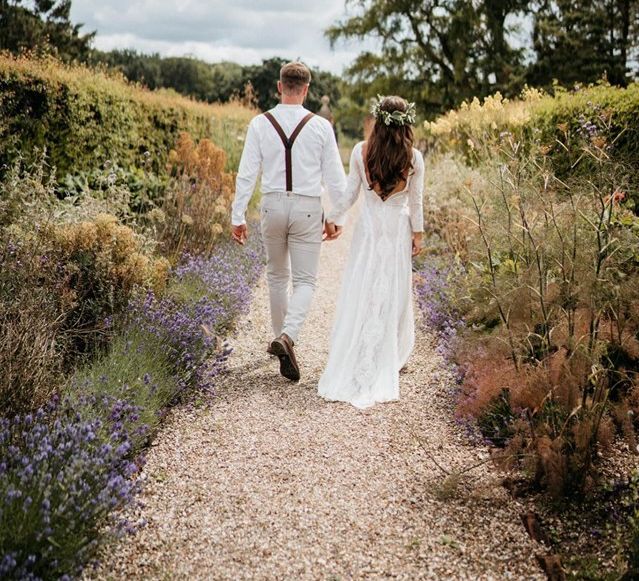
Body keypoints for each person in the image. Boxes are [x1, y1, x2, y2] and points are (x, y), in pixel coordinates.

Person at [230, 61, 347, 382]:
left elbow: (246, 174)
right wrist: (336, 216)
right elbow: (337, 180)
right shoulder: (321, 127)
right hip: (308, 208)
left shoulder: (259, 123)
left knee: (277, 277)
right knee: (306, 281)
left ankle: (282, 337)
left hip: (272, 205)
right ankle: (288, 336)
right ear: (306, 89)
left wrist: (237, 215)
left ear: (280, 86)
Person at [318, 95, 425, 408]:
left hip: (369, 230)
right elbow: (416, 201)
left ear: (377, 121)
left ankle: (362, 346)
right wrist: (417, 234)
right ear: (406, 123)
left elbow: (351, 193)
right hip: (396, 231)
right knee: (393, 290)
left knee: (363, 286)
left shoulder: (360, 152)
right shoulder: (414, 157)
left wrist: (334, 219)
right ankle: (391, 353)